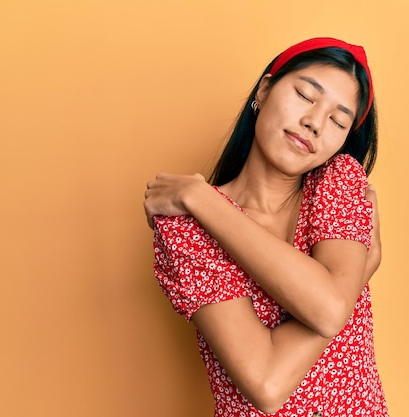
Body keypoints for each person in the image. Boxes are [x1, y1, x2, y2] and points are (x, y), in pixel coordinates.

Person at [144, 37, 389, 416]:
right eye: (306, 96)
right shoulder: (186, 228)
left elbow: (329, 309)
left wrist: (203, 200)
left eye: (338, 120)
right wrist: (355, 277)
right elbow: (267, 384)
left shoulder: (338, 181)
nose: (314, 123)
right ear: (265, 89)